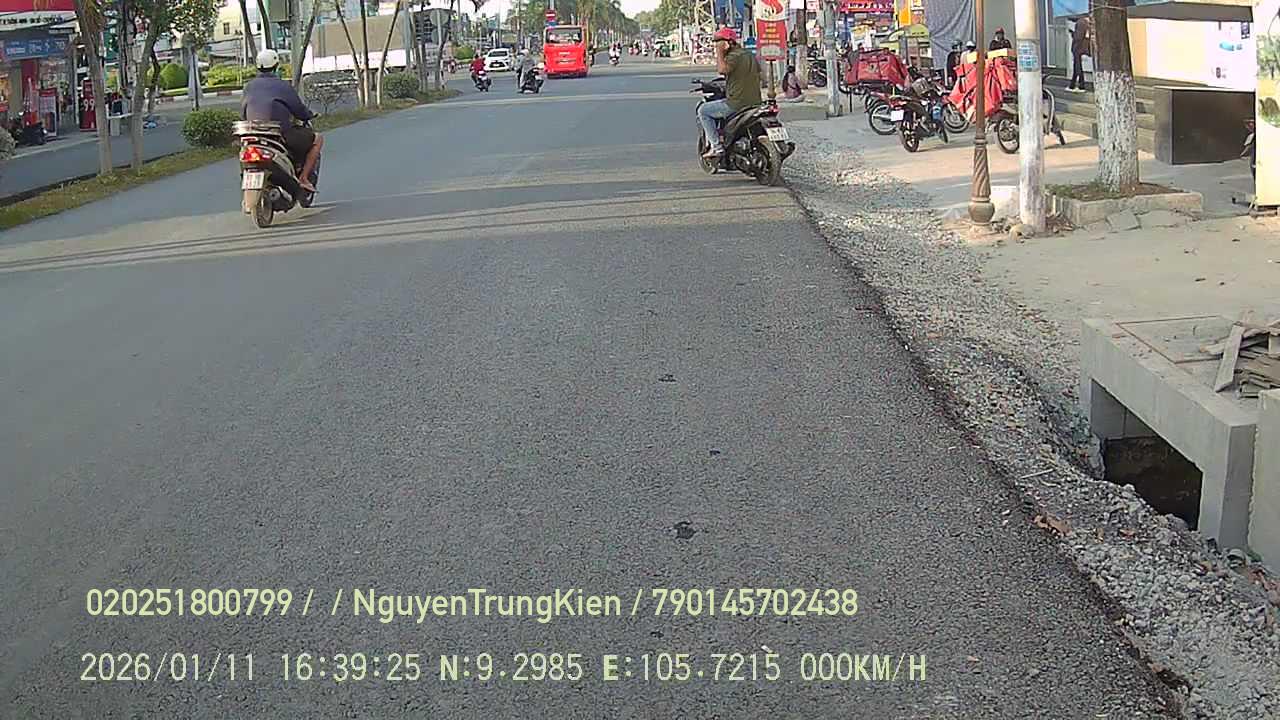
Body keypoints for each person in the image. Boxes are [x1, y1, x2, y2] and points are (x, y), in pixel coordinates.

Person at [241, 48, 322, 192]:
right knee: (317, 139)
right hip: (279, 134)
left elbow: (243, 112)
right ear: (276, 66)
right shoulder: (283, 86)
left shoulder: (249, 86)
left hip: (254, 135)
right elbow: (299, 110)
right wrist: (309, 115)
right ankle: (303, 178)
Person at [698, 27, 762, 159]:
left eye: (719, 43)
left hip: (736, 103)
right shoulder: (749, 55)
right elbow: (761, 76)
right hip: (755, 102)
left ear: (728, 43)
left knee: (703, 110)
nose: (716, 46)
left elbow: (722, 70)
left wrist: (720, 53)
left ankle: (716, 147)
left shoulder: (733, 56)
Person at [1069, 15, 1092, 92]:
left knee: (1077, 66)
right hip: (1083, 47)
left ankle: (1081, 85)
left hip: (1078, 47)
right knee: (1076, 65)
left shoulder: (1080, 22)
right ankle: (1072, 85)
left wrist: (1073, 34)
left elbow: (1078, 37)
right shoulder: (1086, 22)